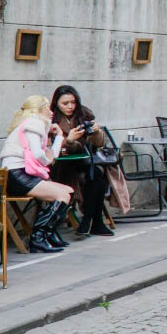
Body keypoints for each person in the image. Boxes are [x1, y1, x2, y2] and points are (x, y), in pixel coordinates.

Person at [0, 96, 75, 253]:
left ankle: (48, 233)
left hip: (18, 174)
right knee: (62, 196)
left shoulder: (33, 124)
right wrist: (48, 160)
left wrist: (59, 137)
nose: (51, 112)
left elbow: (50, 155)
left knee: (69, 191)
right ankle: (38, 237)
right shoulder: (35, 123)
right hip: (16, 174)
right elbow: (39, 154)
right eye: (47, 108)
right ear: (39, 110)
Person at [50, 85, 113, 238]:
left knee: (97, 177)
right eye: (65, 103)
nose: (70, 106)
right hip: (60, 165)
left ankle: (90, 221)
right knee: (91, 177)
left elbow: (99, 143)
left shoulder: (83, 115)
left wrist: (96, 132)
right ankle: (95, 222)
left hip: (83, 161)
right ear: (56, 103)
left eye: (73, 102)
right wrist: (69, 141)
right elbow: (51, 149)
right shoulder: (51, 120)